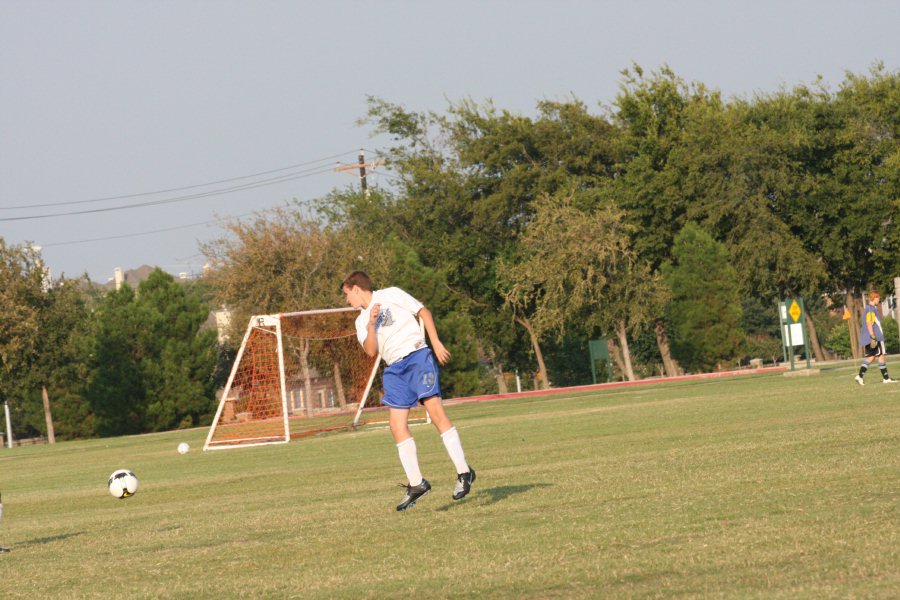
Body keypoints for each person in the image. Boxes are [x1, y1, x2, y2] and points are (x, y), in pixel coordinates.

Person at [341, 271, 476, 511]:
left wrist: (435, 342)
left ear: (356, 288)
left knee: (435, 413)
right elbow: (371, 351)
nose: (346, 300)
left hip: (417, 357)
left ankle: (464, 472)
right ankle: (417, 484)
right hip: (394, 369)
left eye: (347, 294)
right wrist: (372, 324)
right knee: (396, 426)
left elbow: (423, 311)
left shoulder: (391, 294)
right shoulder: (360, 321)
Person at [854, 289, 896, 386]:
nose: (879, 300)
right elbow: (869, 323)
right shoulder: (870, 309)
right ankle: (884, 378)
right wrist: (873, 336)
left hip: (871, 337)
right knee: (878, 356)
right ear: (874, 298)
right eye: (878, 298)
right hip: (875, 337)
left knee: (874, 356)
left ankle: (861, 376)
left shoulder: (869, 308)